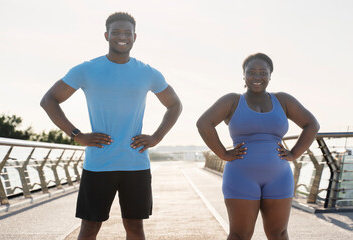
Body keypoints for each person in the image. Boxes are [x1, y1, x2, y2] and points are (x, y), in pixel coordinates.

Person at [40, 12, 182, 240]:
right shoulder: (87, 69)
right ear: (106, 35)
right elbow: (48, 100)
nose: (122, 37)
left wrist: (156, 137)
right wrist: (77, 134)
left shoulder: (147, 72)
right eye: (116, 32)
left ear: (135, 37)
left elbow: (174, 104)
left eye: (127, 33)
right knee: (89, 227)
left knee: (135, 227)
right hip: (99, 163)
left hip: (136, 162)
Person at [196, 53, 319, 240]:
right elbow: (204, 123)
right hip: (241, 176)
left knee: (279, 234)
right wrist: (223, 153)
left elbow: (312, 124)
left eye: (263, 72)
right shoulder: (232, 100)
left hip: (279, 176)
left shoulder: (283, 100)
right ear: (243, 75)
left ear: (270, 75)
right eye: (251, 72)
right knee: (240, 235)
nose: (257, 77)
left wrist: (294, 153)